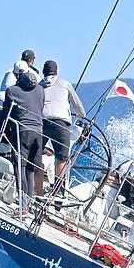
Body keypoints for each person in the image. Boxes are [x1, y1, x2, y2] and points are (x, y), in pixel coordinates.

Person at [40, 59, 86, 192]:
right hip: (60, 123)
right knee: (61, 159)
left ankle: (36, 188)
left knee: (36, 156)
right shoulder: (64, 84)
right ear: (57, 72)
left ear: (43, 72)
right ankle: (58, 190)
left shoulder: (38, 86)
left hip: (42, 122)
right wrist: (81, 115)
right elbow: (77, 105)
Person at [2, 70, 45, 211]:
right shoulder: (41, 89)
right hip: (39, 131)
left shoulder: (12, 91)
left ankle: (23, 205)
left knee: (20, 166)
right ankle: (29, 202)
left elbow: (6, 113)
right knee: (31, 168)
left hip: (23, 131)